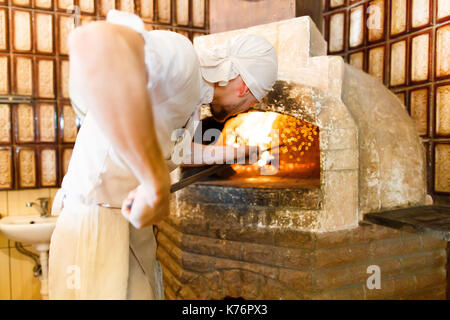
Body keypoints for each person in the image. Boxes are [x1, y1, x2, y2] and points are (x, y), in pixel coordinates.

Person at [48, 9, 278, 300]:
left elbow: (174, 152)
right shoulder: (181, 58)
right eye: (255, 100)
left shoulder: (192, 99)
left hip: (128, 219)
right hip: (93, 218)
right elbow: (96, 42)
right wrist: (154, 179)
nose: (249, 108)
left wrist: (234, 152)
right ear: (245, 87)